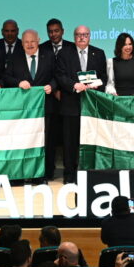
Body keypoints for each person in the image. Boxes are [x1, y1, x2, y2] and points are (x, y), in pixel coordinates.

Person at [54, 25, 108, 184]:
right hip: (71, 104)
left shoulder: (98, 53)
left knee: (91, 142)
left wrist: (97, 84)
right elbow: (60, 75)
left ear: (90, 36)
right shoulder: (64, 53)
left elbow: (104, 77)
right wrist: (74, 85)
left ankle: (90, 174)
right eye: (78, 35)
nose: (82, 37)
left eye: (85, 34)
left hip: (92, 106)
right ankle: (70, 175)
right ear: (74, 36)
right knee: (70, 143)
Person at [40, 18, 72, 180]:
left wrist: (62, 90)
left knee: (69, 139)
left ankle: (70, 172)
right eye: (50, 31)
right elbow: (44, 74)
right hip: (50, 100)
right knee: (49, 139)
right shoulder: (42, 48)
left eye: (56, 31)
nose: (53, 34)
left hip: (69, 99)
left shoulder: (72, 47)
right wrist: (53, 90)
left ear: (62, 31)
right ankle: (49, 172)